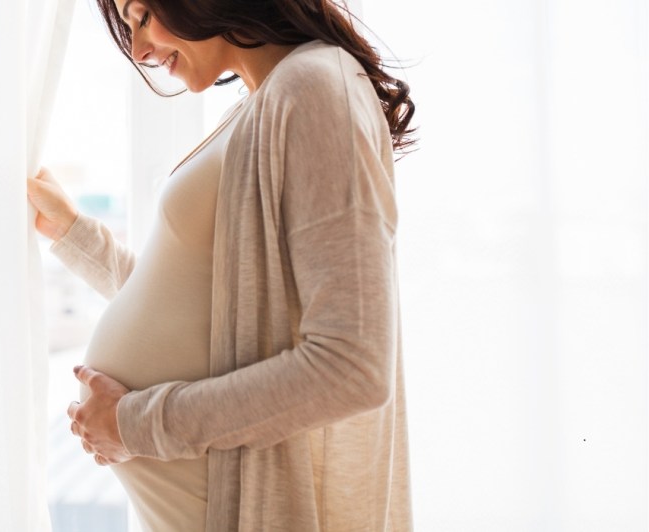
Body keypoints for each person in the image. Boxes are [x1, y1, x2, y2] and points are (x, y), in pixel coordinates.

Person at [27, 0, 416, 529]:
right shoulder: (270, 96)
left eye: (141, 15)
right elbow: (205, 307)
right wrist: (75, 235)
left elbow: (352, 368)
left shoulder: (315, 88)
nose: (139, 50)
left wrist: (132, 425)